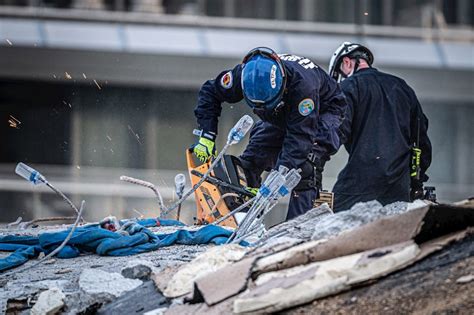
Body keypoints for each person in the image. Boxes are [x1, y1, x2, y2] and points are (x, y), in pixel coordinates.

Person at [191, 47, 347, 220]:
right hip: (279, 115)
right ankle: (241, 218)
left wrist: (280, 173)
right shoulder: (242, 76)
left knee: (304, 167)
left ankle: (298, 228)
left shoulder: (304, 89)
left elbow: (300, 139)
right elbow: (210, 92)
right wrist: (207, 135)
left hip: (324, 112)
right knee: (251, 160)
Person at [328, 42, 432, 212]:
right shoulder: (401, 86)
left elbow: (336, 132)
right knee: (393, 232)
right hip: (399, 182)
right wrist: (416, 180)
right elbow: (421, 138)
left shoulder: (349, 87)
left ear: (347, 62)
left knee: (331, 221)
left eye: (342, 73)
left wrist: (316, 159)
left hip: (361, 177)